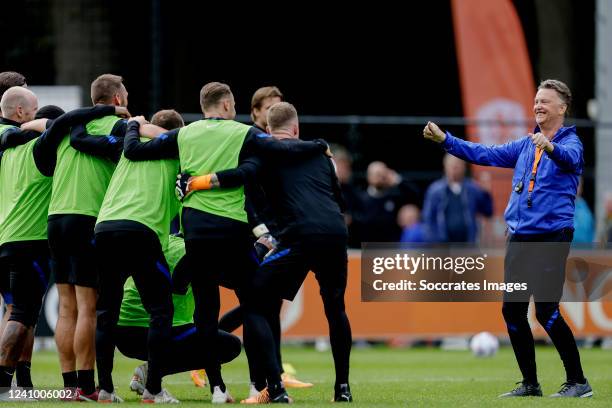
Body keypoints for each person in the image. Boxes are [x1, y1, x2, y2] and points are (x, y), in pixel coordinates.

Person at [114, 83, 325, 403]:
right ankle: (270, 388)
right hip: (234, 231)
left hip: (197, 233)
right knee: (257, 307)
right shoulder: (243, 133)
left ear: (203, 106)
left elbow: (134, 150)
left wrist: (133, 126)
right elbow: (283, 148)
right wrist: (318, 146)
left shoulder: (186, 134)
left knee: (206, 314)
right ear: (227, 105)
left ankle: (218, 389)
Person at [424, 79, 591, 398]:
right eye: (536, 100)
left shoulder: (571, 143)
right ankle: (530, 384)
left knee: (546, 311)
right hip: (521, 238)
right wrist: (446, 140)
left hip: (551, 237)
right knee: (513, 311)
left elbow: (570, 160)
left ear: (562, 108)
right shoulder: (526, 144)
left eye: (545, 101)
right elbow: (484, 153)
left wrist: (550, 147)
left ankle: (578, 381)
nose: (538, 105)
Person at [187, 102, 353, 404]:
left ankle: (274, 388)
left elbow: (243, 181)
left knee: (253, 302)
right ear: (297, 128)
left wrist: (198, 182)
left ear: (266, 131)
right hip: (333, 234)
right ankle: (342, 388)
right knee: (336, 308)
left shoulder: (263, 152)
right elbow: (338, 198)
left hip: (296, 236)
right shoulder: (321, 154)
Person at [0, 87, 122, 400]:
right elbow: (69, 125)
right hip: (46, 233)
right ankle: (81, 386)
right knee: (67, 310)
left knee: (37, 310)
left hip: (22, 233)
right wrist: (112, 114)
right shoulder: (44, 146)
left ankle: (52, 385)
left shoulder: (10, 147)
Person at [47, 74, 130, 400]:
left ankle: (69, 387)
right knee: (87, 308)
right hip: (87, 218)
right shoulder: (121, 128)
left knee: (67, 308)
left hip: (56, 218)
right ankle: (85, 386)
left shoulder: (70, 127)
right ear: (118, 100)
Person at [117, 234, 242, 404]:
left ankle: (95, 385)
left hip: (122, 335)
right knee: (229, 346)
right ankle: (152, 375)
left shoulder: (163, 242)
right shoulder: (195, 252)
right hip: (156, 331)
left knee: (211, 335)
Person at [422, 154, 492, 243]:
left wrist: (486, 193)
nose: (454, 169)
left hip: (467, 243)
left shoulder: (472, 189)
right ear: (445, 167)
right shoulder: (435, 190)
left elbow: (487, 212)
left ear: (464, 167)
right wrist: (433, 241)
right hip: (443, 245)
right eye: (451, 165)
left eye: (457, 165)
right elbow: (428, 218)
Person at [353, 161, 419, 242]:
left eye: (382, 174)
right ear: (368, 176)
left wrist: (398, 180)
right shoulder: (360, 198)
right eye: (376, 174)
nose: (379, 177)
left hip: (391, 246)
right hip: (366, 246)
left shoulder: (395, 197)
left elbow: (416, 195)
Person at [572, 177, 594, 245]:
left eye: (578, 185)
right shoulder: (560, 206)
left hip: (584, 250)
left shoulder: (585, 208)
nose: (576, 188)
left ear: (581, 188)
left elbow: (591, 231)